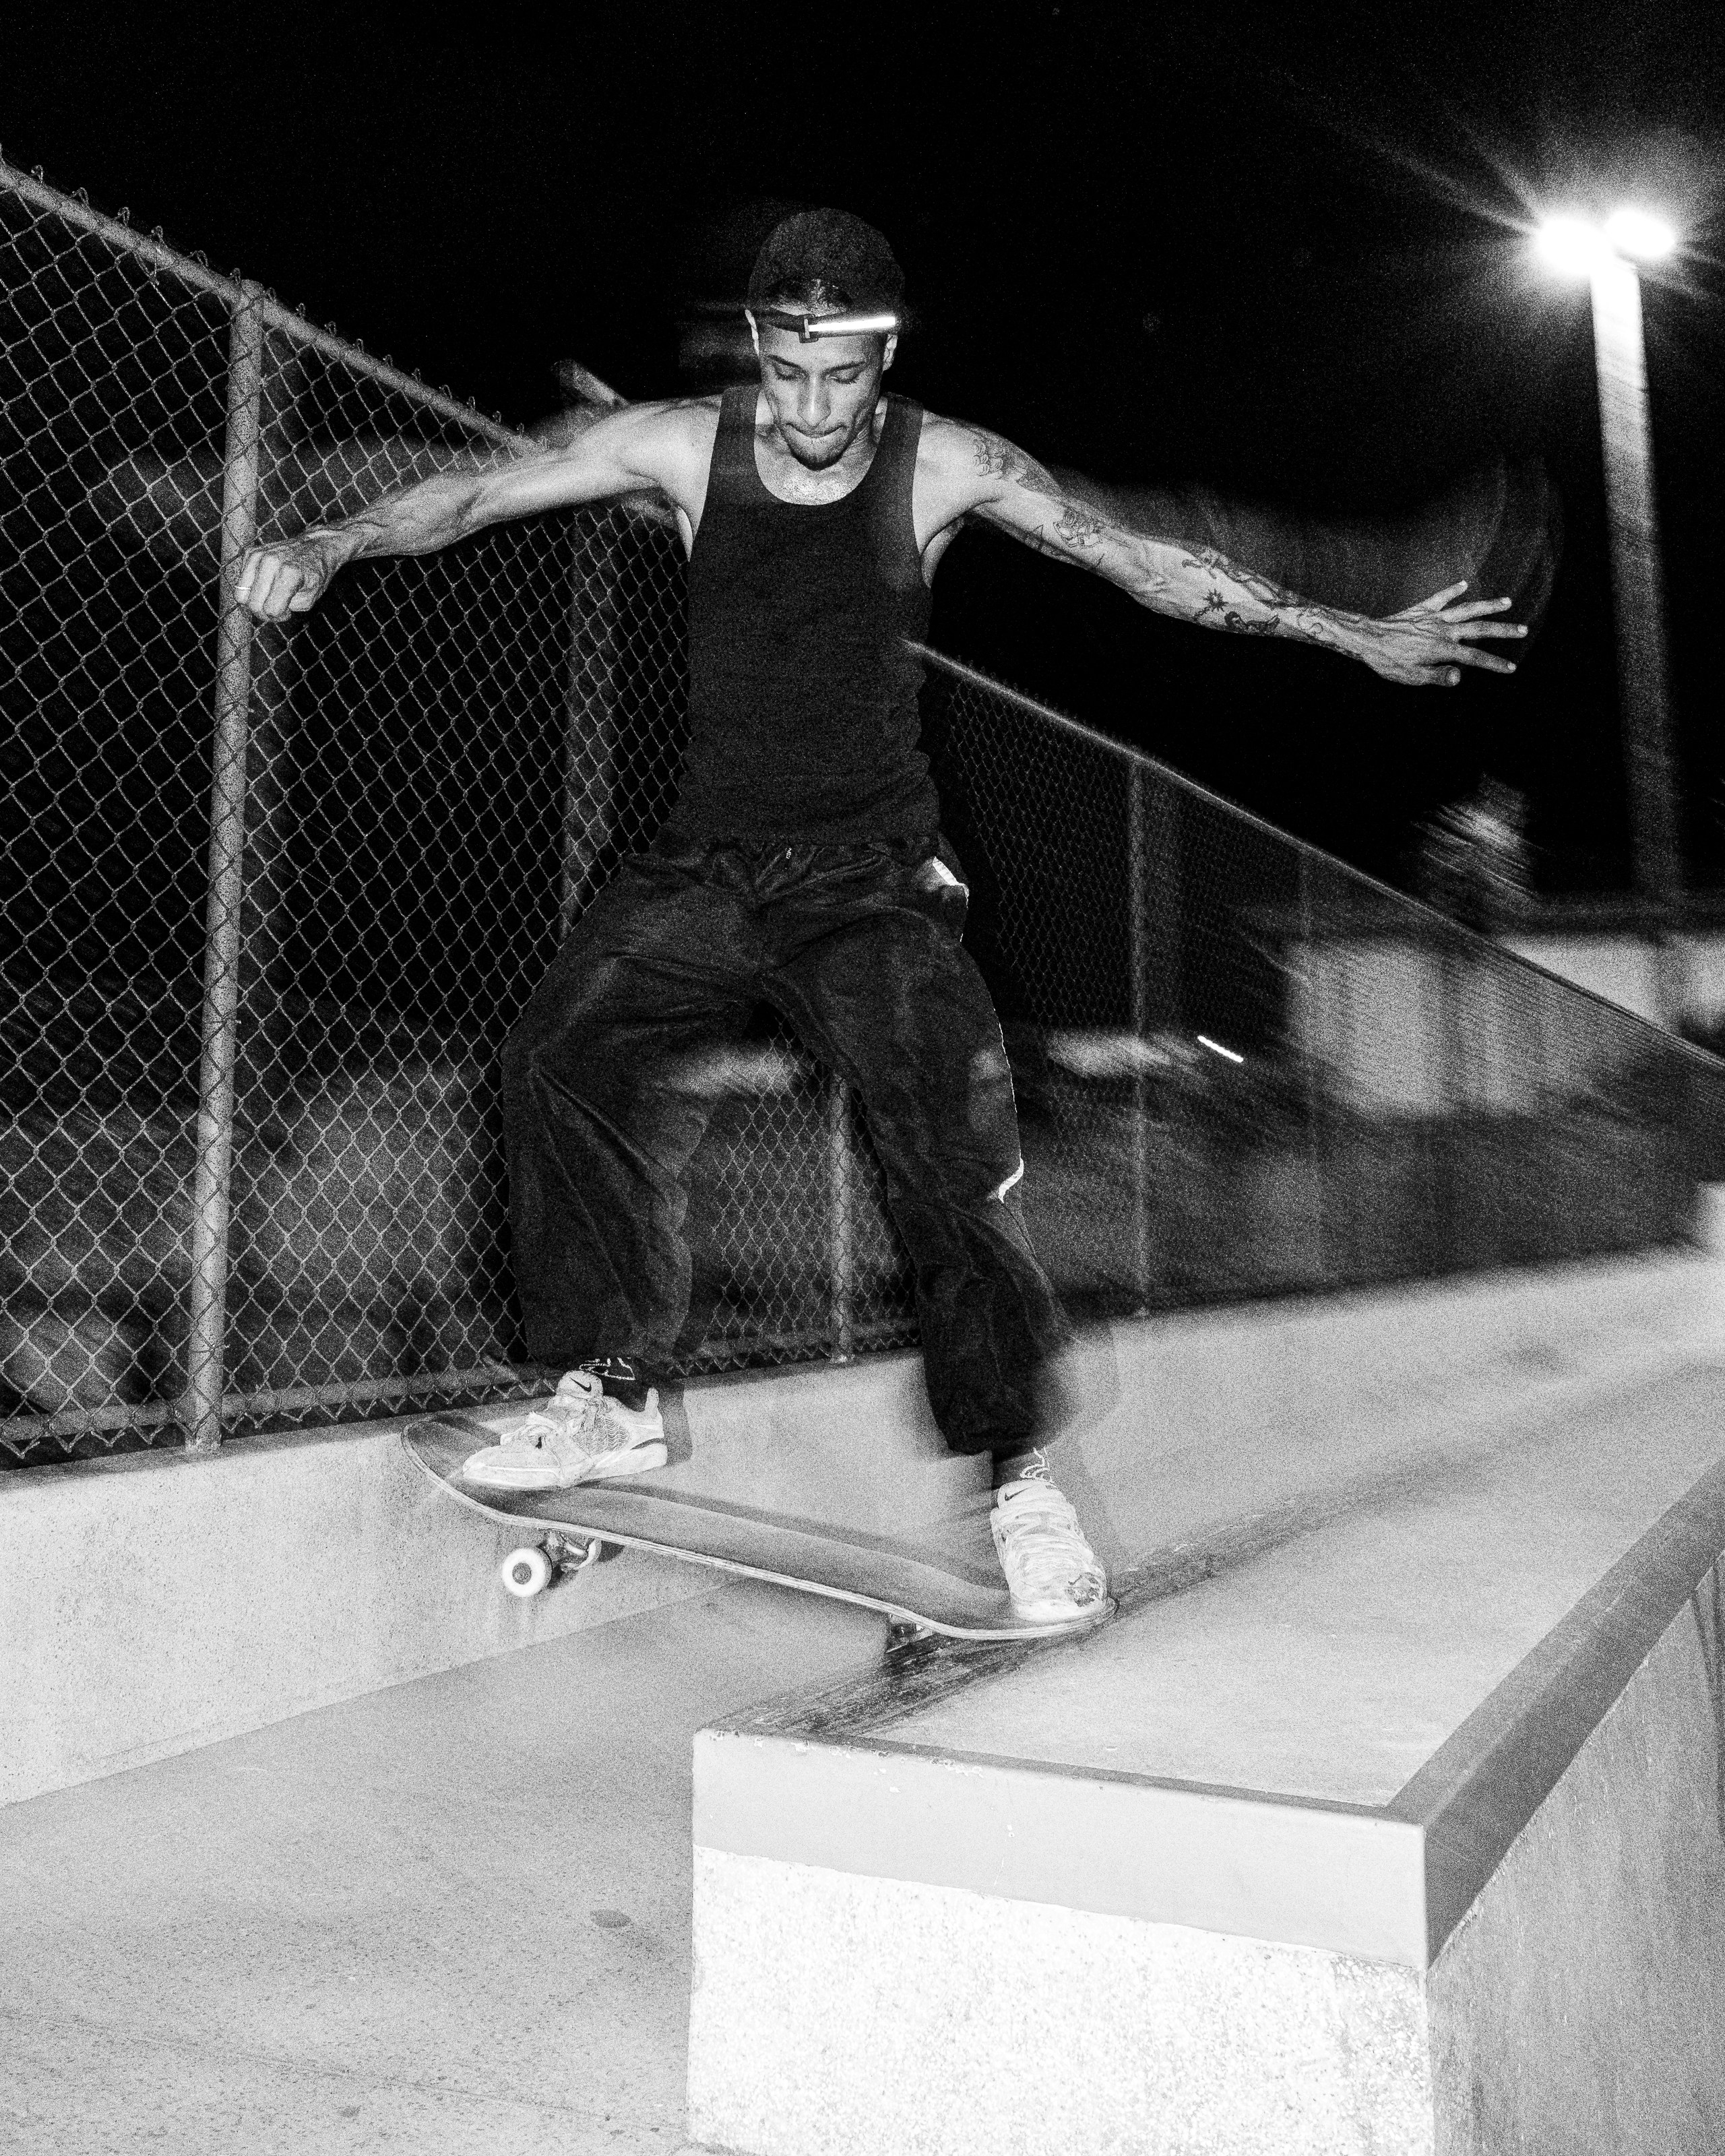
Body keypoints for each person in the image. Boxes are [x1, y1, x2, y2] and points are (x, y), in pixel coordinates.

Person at [237, 208, 1524, 1629]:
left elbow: (1144, 558)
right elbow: (475, 493)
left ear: (880, 359)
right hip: (709, 869)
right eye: (779, 370)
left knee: (946, 1158)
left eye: (832, 378)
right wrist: (336, 537)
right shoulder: (678, 446)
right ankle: (608, 1393)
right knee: (558, 1050)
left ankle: (1018, 1481)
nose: (801, 407)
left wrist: (1345, 631)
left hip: (873, 886)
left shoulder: (947, 465)